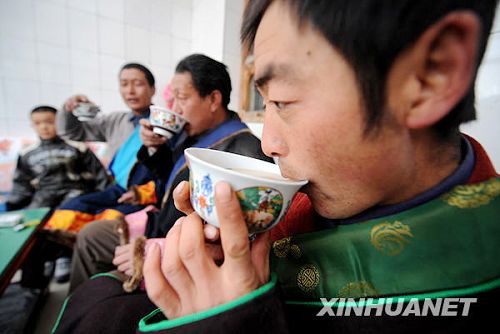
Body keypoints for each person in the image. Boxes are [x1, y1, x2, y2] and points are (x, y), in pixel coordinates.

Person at [53, 1, 500, 333]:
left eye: (283, 101)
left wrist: (227, 324)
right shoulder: (315, 200)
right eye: (264, 104)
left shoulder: (472, 271)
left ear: (430, 74)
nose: (268, 142)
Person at [67, 54, 272, 292]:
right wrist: (155, 146)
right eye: (172, 98)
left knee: (98, 289)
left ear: (214, 99)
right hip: (162, 225)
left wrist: (164, 249)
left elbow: (247, 237)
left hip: (186, 246)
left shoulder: (245, 153)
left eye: (182, 98)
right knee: (90, 234)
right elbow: (166, 181)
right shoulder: (192, 134)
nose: (174, 108)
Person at [44, 63, 159, 233]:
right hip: (115, 189)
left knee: (108, 221)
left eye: (138, 83)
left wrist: (143, 193)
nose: (130, 91)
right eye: (124, 84)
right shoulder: (115, 121)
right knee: (70, 209)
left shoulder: (162, 124)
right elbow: (71, 132)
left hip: (145, 193)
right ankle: (62, 257)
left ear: (152, 89)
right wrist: (70, 109)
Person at [6, 105, 110, 210]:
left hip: (76, 191)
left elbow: (99, 174)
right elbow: (21, 184)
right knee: (35, 217)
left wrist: (106, 197)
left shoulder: (78, 147)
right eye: (37, 123)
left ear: (60, 122)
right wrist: (11, 205)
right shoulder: (26, 154)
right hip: (44, 195)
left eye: (50, 122)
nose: (44, 127)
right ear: (32, 125)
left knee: (70, 212)